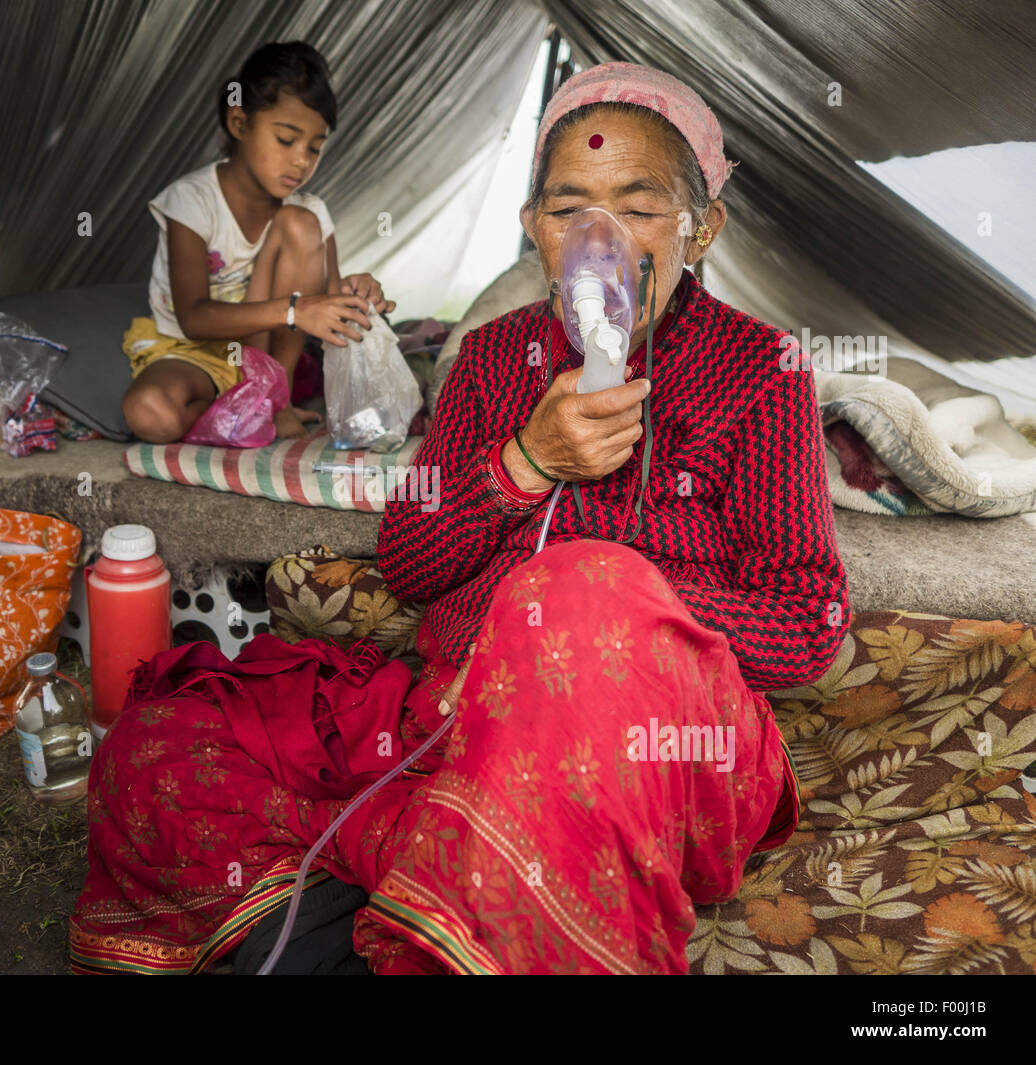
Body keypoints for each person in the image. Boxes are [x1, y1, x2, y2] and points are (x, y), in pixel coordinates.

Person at [71, 62, 848, 975]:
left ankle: (453, 902)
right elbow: (408, 560)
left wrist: (602, 606)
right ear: (535, 232)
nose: (598, 238)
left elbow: (809, 627)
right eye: (567, 210)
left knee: (580, 586)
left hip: (650, 744)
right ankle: (405, 896)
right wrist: (525, 464)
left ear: (701, 225)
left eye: (638, 207)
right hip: (450, 715)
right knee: (162, 740)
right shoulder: (488, 359)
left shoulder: (763, 371)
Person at [121, 41, 393, 444]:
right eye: (287, 140)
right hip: (191, 352)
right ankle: (241, 406)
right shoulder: (192, 200)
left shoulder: (310, 212)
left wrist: (358, 295)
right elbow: (194, 317)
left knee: (298, 223)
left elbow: (326, 297)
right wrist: (296, 310)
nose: (302, 160)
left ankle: (271, 398)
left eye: (314, 148)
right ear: (240, 124)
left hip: (270, 361)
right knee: (149, 412)